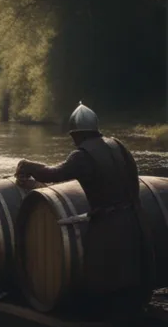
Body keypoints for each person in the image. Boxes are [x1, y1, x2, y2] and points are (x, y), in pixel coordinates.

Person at [15, 102, 151, 303]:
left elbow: (55, 174)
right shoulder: (118, 145)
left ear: (76, 134)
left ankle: (104, 316)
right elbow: (134, 178)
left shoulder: (82, 155)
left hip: (107, 225)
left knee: (102, 273)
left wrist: (29, 166)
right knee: (128, 272)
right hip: (132, 219)